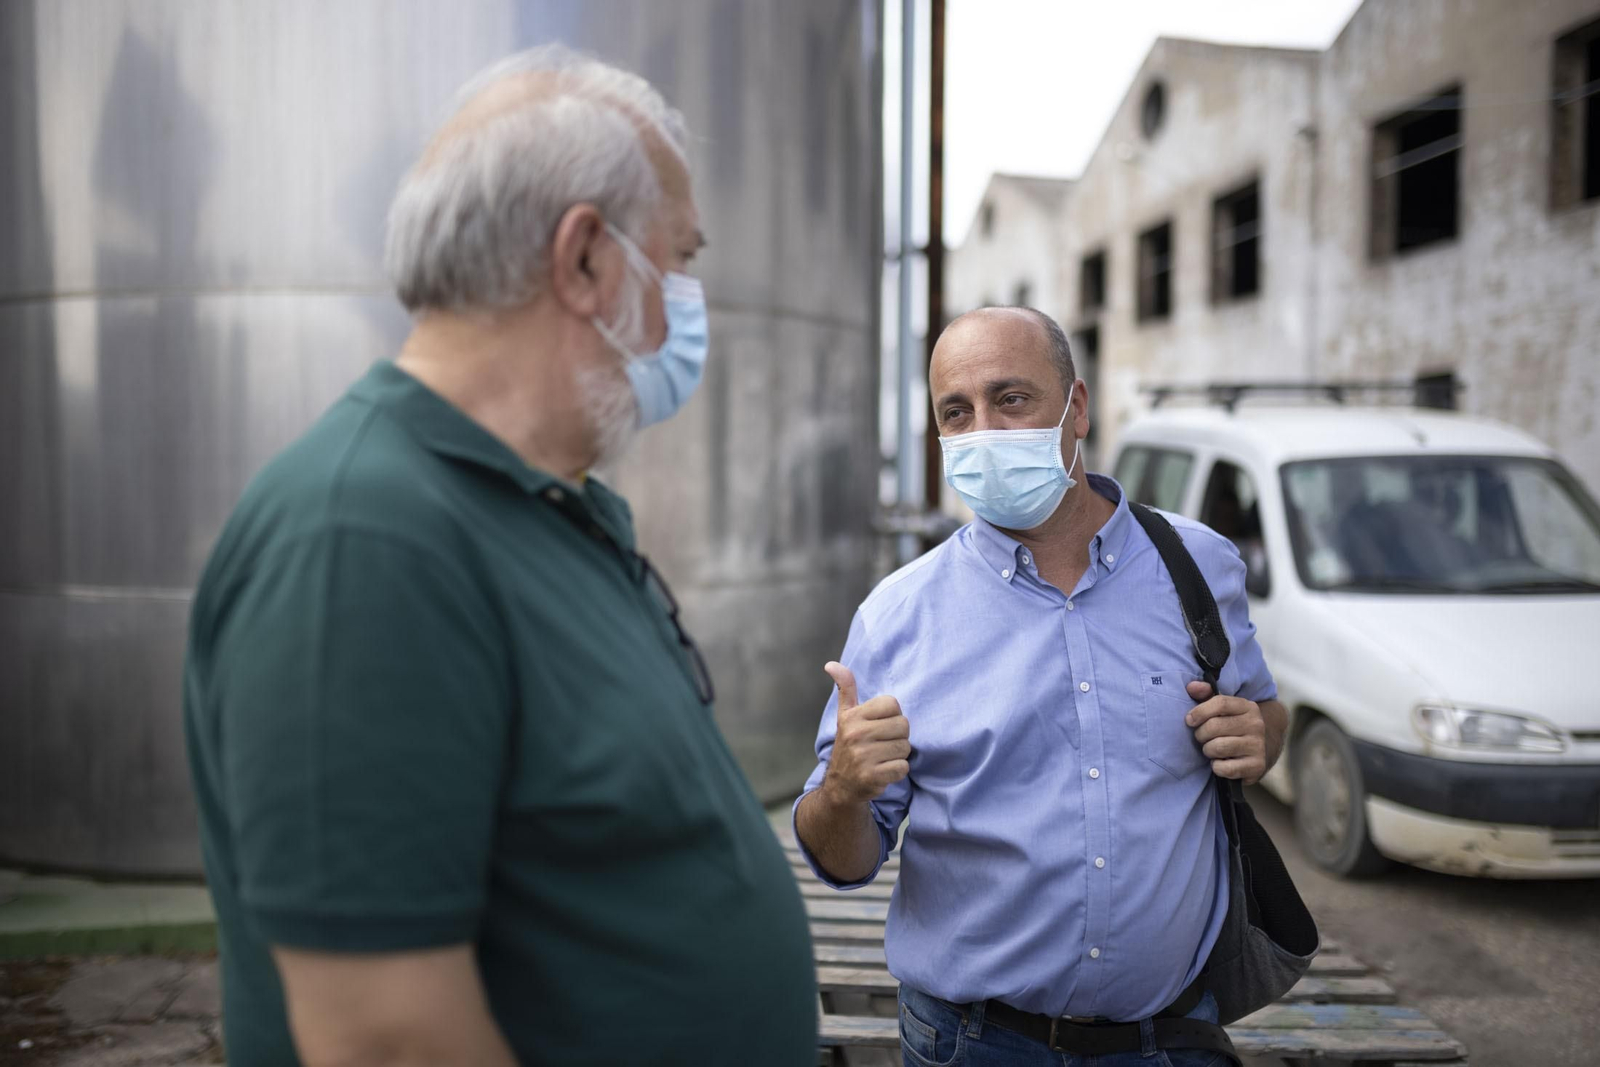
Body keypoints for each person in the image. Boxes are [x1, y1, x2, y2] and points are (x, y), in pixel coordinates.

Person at [183, 47, 815, 1067]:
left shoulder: (541, 506)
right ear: (583, 261)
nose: (689, 303)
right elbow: (385, 1037)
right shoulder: (363, 540)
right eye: (681, 260)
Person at [793, 307, 1288, 1066]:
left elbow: (1263, 713)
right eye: (957, 412)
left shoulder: (1198, 565)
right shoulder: (896, 614)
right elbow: (845, 859)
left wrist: (1260, 735)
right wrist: (844, 788)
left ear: (1077, 407)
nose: (984, 430)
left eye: (1011, 398)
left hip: (1172, 1037)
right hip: (974, 1041)